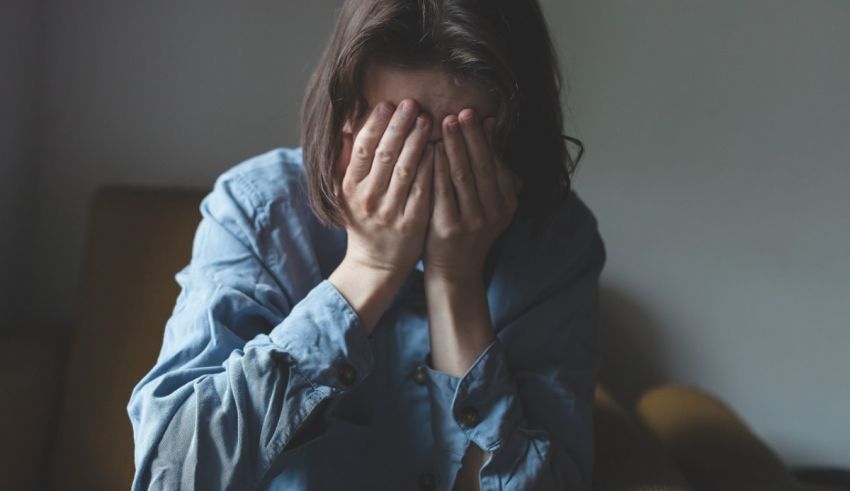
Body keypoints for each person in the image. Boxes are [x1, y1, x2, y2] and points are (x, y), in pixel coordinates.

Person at [127, 0, 606, 489]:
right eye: (396, 142)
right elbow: (172, 477)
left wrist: (456, 281)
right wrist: (368, 270)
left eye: (463, 148)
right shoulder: (259, 212)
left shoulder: (556, 243)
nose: (423, 177)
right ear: (345, 120)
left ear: (510, 138)